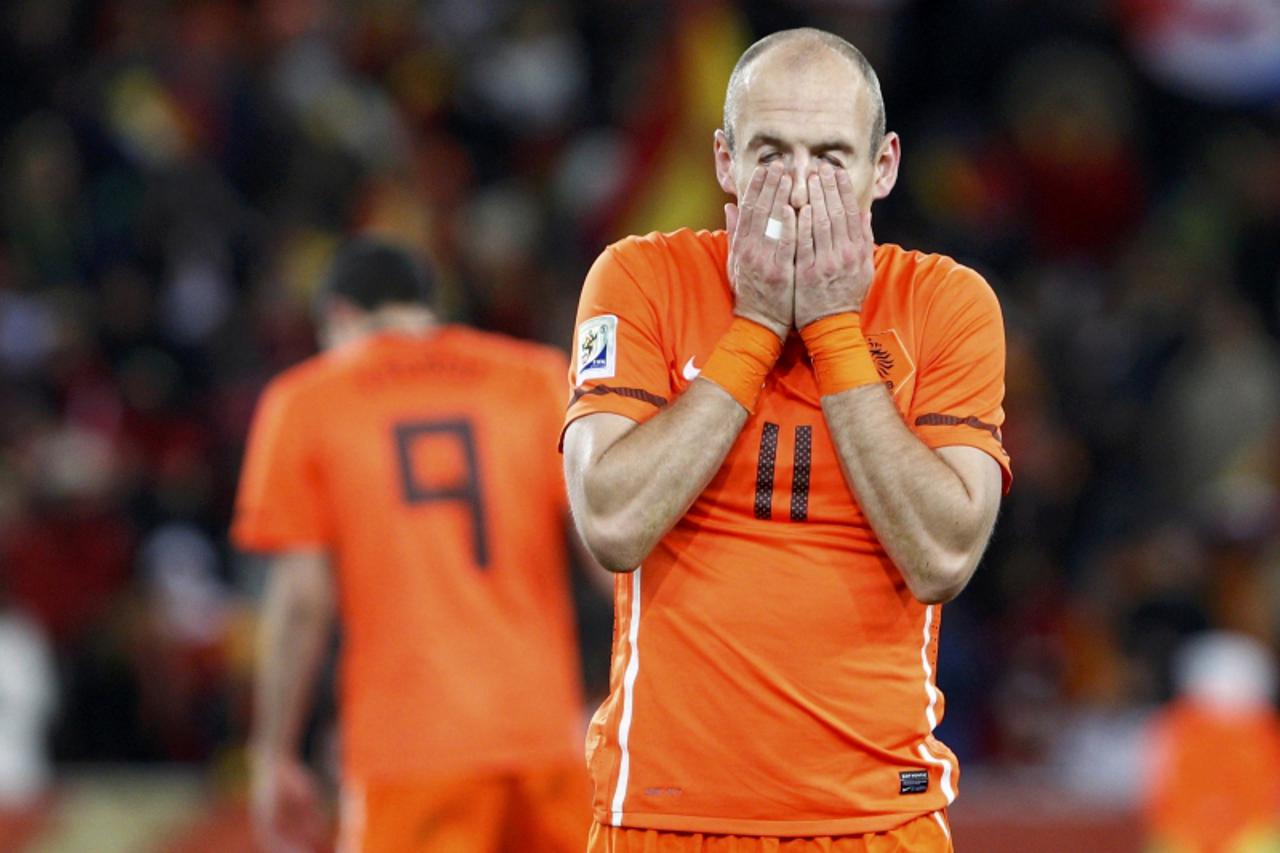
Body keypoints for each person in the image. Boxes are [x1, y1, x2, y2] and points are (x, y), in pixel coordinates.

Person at [561, 28, 1010, 852]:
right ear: (725, 161)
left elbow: (942, 558)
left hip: (879, 819)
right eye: (771, 153)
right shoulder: (638, 278)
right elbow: (611, 524)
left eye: (832, 157)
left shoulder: (948, 304)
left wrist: (834, 325)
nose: (800, 189)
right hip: (663, 815)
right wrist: (759, 323)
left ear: (885, 167)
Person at [234, 240, 592, 852]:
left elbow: (302, 599)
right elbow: (610, 551)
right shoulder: (533, 377)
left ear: (340, 317)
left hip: (410, 748)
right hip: (547, 738)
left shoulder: (306, 401)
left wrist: (274, 751)